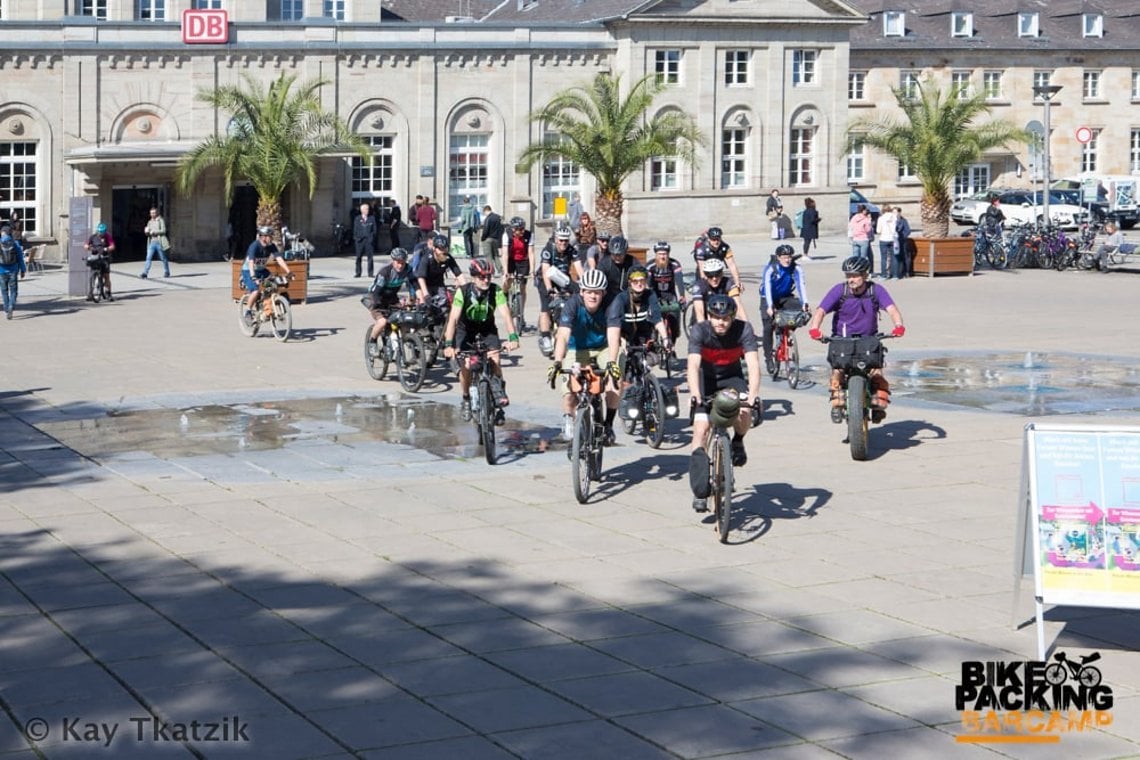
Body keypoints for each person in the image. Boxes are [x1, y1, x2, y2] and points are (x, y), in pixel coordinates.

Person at [807, 256, 905, 424]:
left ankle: (878, 405)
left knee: (876, 373)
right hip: (842, 340)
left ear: (865, 275)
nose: (851, 279)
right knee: (837, 372)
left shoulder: (876, 290)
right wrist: (815, 329)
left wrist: (898, 325)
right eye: (848, 276)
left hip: (869, 339)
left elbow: (892, 309)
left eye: (855, 275)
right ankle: (837, 404)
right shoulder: (840, 290)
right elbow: (821, 311)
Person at [687, 294, 761, 512]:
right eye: (716, 318)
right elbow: (692, 366)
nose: (721, 322)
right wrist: (695, 394)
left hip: (732, 379)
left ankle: (738, 441)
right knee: (700, 430)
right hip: (705, 379)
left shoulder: (744, 329)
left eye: (726, 318)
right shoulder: (700, 331)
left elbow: (754, 365)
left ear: (732, 317)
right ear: (709, 316)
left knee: (744, 412)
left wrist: (753, 395)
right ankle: (699, 490)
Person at [547, 268, 620, 444]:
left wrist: (612, 362)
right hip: (577, 348)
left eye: (597, 292)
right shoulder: (572, 304)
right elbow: (563, 335)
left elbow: (613, 334)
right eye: (589, 292)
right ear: (582, 291)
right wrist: (557, 362)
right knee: (570, 388)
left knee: (614, 380)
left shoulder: (611, 304)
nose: (593, 296)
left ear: (603, 293)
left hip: (602, 347)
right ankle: (568, 420)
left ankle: (608, 424)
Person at [443, 258, 519, 423]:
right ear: (473, 277)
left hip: (487, 329)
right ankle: (466, 399)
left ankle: (498, 401)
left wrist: (513, 337)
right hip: (465, 330)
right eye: (482, 277)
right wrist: (449, 344)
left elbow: (506, 315)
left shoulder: (495, 291)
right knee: (466, 366)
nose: (486, 280)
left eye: (489, 277)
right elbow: (453, 319)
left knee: (496, 360)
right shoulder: (462, 292)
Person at [759, 244, 809, 373]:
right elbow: (768, 288)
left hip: (785, 296)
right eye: (784, 257)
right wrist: (770, 306)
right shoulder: (771, 269)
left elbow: (800, 285)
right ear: (778, 257)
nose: (787, 260)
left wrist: (805, 303)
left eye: (789, 257)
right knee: (768, 327)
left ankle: (785, 331)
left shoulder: (796, 268)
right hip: (768, 298)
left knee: (800, 313)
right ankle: (769, 358)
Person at [537, 227, 579, 357]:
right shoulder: (548, 249)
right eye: (561, 240)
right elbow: (545, 271)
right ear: (556, 239)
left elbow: (579, 267)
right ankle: (545, 337)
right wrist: (550, 289)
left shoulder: (571, 250)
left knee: (575, 297)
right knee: (546, 308)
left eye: (566, 241)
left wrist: (585, 284)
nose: (563, 243)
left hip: (562, 278)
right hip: (545, 279)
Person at [364, 247, 413, 349]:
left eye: (403, 263)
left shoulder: (408, 269)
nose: (400, 265)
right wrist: (378, 304)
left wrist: (414, 299)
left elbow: (414, 285)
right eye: (398, 262)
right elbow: (376, 291)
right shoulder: (385, 272)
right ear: (392, 261)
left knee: (404, 320)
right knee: (382, 322)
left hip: (391, 298)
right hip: (376, 298)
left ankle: (407, 344)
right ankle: (372, 342)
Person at [241, 226, 290, 315]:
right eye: (270, 236)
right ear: (263, 237)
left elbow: (279, 259)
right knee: (255, 291)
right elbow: (251, 262)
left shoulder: (271, 246)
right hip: (249, 271)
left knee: (274, 284)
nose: (271, 238)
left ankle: (266, 304)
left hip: (262, 270)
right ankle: (248, 311)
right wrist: (253, 277)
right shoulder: (254, 246)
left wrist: (289, 271)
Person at [646, 241, 685, 343]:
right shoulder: (650, 266)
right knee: (651, 316)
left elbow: (679, 280)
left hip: (670, 294)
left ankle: (674, 336)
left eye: (665, 254)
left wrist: (682, 295)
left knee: (675, 315)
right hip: (655, 293)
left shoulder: (674, 264)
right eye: (660, 254)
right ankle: (652, 335)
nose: (662, 257)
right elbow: (648, 284)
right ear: (656, 255)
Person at [414, 232, 466, 304]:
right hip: (425, 284)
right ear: (434, 248)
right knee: (425, 305)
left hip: (438, 284)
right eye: (440, 249)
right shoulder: (426, 258)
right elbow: (421, 278)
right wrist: (426, 295)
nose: (443, 252)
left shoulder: (448, 257)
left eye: (445, 249)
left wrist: (466, 289)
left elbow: (459, 274)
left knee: (443, 305)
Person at [503, 216, 535, 325]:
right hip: (511, 259)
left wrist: (532, 270)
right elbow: (505, 254)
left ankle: (521, 313)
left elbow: (531, 253)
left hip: (523, 260)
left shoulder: (529, 235)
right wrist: (505, 272)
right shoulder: (506, 235)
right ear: (513, 229)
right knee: (508, 281)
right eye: (519, 229)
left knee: (522, 286)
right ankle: (505, 293)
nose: (522, 231)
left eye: (523, 229)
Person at [691, 258, 742, 322]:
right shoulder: (699, 286)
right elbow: (700, 312)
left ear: (722, 274)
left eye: (717, 274)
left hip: (722, 319)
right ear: (706, 276)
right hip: (702, 319)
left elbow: (739, 306)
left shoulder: (728, 283)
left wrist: (748, 326)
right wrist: (703, 329)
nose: (714, 279)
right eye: (710, 275)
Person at [597, 234, 638, 304]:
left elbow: (640, 275)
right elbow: (599, 282)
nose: (617, 257)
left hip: (628, 296)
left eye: (620, 254)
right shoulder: (604, 263)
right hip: (608, 297)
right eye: (614, 254)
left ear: (625, 252)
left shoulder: (632, 261)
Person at [84, 222, 116, 302]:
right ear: (97, 230)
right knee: (92, 276)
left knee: (106, 276)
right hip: (95, 258)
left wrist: (107, 249)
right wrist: (89, 247)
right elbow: (85, 245)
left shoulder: (108, 236)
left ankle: (108, 293)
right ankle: (90, 294)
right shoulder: (93, 237)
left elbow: (113, 246)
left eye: (102, 232)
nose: (101, 234)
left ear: (105, 231)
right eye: (100, 232)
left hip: (104, 258)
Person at [0, 228, 27, 320]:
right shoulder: (15, 243)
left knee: (4, 291)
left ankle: (7, 308)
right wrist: (23, 270)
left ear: (2, 233)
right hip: (13, 270)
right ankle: (11, 306)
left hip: (1, 271)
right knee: (13, 291)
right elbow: (20, 258)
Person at [141, 206, 170, 279]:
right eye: (151, 213)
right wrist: (146, 232)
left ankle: (167, 271)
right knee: (148, 258)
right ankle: (145, 272)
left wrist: (155, 232)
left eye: (154, 213)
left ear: (156, 213)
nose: (153, 214)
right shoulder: (149, 222)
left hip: (159, 242)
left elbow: (164, 230)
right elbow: (148, 233)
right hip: (151, 242)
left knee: (163, 258)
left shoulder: (160, 220)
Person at [353, 202, 378, 278]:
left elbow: (375, 229)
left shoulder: (372, 218)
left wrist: (372, 237)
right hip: (360, 241)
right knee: (358, 257)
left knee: (370, 258)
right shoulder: (357, 218)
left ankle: (370, 273)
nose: (367, 210)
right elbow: (355, 229)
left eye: (368, 209)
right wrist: (356, 238)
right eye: (366, 209)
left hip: (369, 241)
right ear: (362, 210)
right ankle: (358, 272)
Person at [875, 204, 898, 280]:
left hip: (883, 239)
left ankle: (884, 275)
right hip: (892, 239)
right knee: (894, 257)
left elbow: (878, 230)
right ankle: (895, 275)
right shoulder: (894, 217)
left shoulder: (881, 218)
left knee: (884, 258)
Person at [480, 205, 503, 275]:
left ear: (486, 211)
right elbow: (501, 230)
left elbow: (485, 230)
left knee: (488, 256)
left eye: (484, 213)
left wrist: (482, 238)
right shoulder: (498, 218)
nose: (484, 214)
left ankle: (491, 271)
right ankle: (500, 269)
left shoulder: (488, 218)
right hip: (496, 239)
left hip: (488, 239)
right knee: (496, 255)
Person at [894, 207, 911, 278]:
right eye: (893, 212)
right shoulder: (891, 221)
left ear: (899, 213)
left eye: (895, 212)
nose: (894, 214)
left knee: (905, 256)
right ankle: (898, 272)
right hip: (895, 241)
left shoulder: (903, 220)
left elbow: (908, 230)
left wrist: (903, 236)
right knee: (897, 257)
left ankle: (907, 272)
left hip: (902, 241)